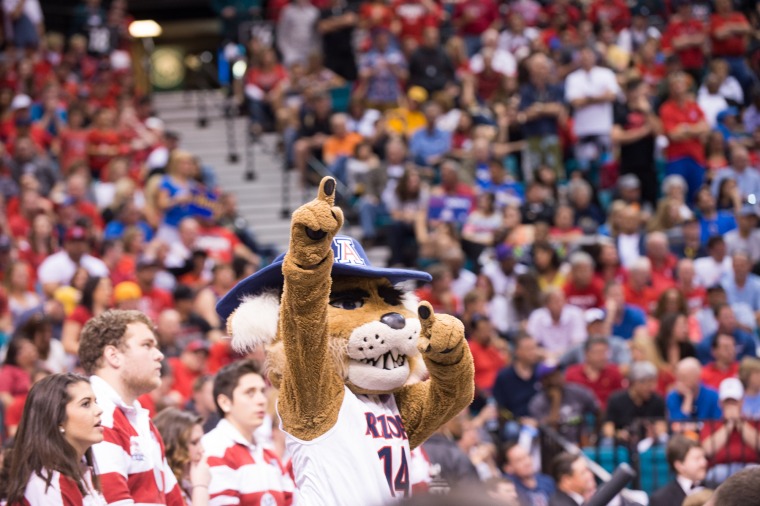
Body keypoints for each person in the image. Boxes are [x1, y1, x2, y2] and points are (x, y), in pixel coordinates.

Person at [77, 309, 184, 505]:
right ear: (113, 356)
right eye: (147, 345)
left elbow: (173, 499)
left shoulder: (139, 418)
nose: (159, 355)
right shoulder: (99, 417)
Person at [0, 373, 106, 505]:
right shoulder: (49, 485)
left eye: (95, 402)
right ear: (58, 420)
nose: (99, 410)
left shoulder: (81, 470)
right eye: (85, 404)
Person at [202, 360, 294, 505]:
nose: (262, 400)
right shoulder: (213, 448)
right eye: (250, 393)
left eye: (262, 391)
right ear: (225, 403)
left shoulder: (269, 453)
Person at [700, 378, 760, 485]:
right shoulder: (710, 424)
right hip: (720, 469)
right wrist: (729, 425)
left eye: (734, 402)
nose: (731, 405)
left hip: (750, 466)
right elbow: (707, 450)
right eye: (727, 402)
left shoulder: (754, 422)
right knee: (715, 475)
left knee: (754, 474)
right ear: (720, 403)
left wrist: (740, 423)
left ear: (742, 402)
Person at [153, 407, 211, 505]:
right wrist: (201, 486)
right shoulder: (159, 490)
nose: (202, 450)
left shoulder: (186, 486)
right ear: (172, 447)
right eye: (194, 442)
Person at [564, 337, 625, 411]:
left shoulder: (614, 372)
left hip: (607, 415)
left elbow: (621, 399)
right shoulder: (572, 374)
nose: (603, 357)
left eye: (605, 352)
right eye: (598, 352)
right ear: (587, 353)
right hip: (581, 416)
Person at [492, 334, 540, 422]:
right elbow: (500, 408)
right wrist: (518, 420)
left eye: (535, 348)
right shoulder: (504, 376)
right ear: (517, 351)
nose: (534, 352)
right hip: (515, 421)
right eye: (529, 349)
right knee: (511, 430)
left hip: (540, 420)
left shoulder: (541, 372)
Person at [649, 435, 708, 506]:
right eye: (697, 459)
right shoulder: (661, 499)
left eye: (703, 457)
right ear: (679, 465)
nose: (704, 462)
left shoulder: (717, 490)